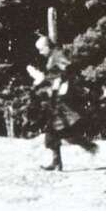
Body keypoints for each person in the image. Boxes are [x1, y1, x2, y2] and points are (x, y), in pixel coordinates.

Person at [30, 36, 98, 171]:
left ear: (47, 47)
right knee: (56, 131)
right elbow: (55, 75)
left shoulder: (57, 55)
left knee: (57, 130)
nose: (40, 52)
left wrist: (60, 81)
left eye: (41, 49)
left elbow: (68, 68)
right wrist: (42, 79)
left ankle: (86, 147)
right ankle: (59, 161)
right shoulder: (53, 56)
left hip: (62, 100)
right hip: (57, 100)